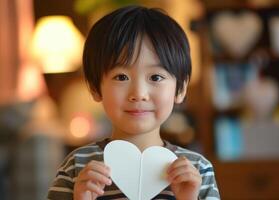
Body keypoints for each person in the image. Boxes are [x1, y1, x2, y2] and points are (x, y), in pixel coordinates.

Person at [47, 5, 220, 200]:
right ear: (95, 88)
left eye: (155, 77)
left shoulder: (196, 171)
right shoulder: (76, 167)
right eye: (121, 77)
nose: (139, 94)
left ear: (180, 89)